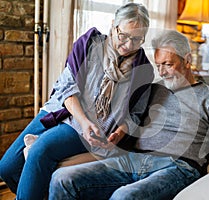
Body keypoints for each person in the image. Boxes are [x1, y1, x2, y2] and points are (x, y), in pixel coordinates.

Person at [48, 30, 209, 200]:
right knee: (63, 179)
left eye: (168, 64)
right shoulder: (153, 89)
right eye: (158, 65)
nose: (162, 71)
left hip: (178, 167)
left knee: (124, 198)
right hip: (133, 159)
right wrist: (114, 136)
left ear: (187, 60)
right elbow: (130, 124)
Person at [0, 3, 154, 200]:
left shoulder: (144, 70)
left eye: (136, 39)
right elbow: (66, 86)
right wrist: (83, 120)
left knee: (41, 150)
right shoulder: (90, 43)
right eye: (123, 35)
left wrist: (120, 133)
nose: (128, 45)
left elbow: (136, 114)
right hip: (63, 111)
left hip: (94, 127)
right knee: (7, 168)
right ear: (113, 24)